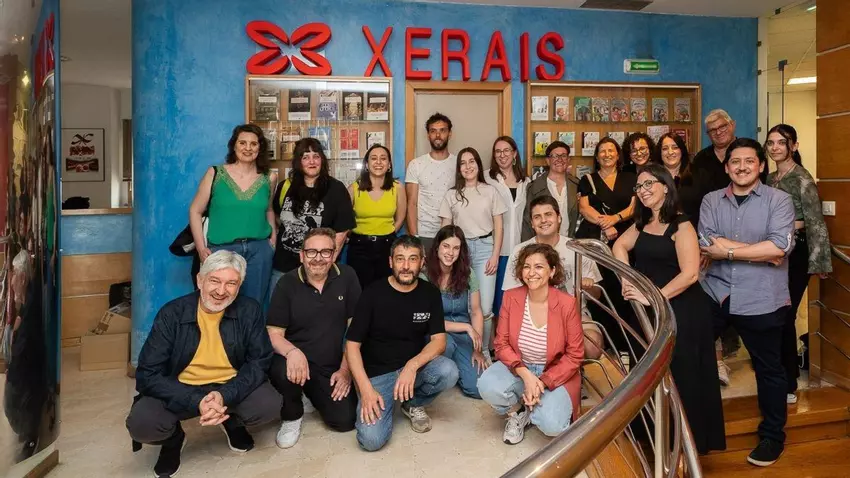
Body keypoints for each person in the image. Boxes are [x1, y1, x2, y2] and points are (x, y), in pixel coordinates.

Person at [126, 250, 279, 478]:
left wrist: (224, 396)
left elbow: (259, 361)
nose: (221, 291)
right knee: (143, 425)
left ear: (239, 286)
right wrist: (196, 400)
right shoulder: (172, 313)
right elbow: (147, 374)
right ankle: (173, 439)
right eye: (214, 280)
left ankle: (232, 421)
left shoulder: (250, 310)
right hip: (180, 388)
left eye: (231, 283)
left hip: (229, 386)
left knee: (268, 405)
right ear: (200, 280)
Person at [612, 164, 726, 455]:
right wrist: (628, 279)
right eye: (639, 186)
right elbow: (619, 247)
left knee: (683, 378)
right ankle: (656, 440)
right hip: (651, 310)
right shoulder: (642, 223)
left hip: (682, 311)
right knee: (649, 376)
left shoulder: (681, 225)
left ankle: (686, 448)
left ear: (666, 186)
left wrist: (652, 297)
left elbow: (690, 274)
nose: (643, 190)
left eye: (649, 183)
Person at [698, 138, 795, 467]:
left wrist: (726, 251)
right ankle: (693, 427)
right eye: (735, 162)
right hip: (716, 292)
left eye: (749, 161)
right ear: (727, 167)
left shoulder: (779, 200)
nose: (742, 167)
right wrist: (760, 250)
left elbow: (779, 247)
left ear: (761, 166)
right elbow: (706, 242)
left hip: (762, 297)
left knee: (769, 370)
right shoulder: (712, 200)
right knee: (690, 357)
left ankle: (772, 437)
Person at [345, 236, 459, 451]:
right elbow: (352, 345)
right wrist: (366, 389)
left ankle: (412, 403)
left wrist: (412, 365)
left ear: (422, 262)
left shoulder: (430, 293)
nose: (406, 266)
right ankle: (379, 399)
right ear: (391, 262)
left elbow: (439, 341)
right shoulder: (372, 293)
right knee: (371, 441)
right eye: (400, 259)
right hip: (377, 375)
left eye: (412, 259)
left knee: (448, 371)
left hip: (412, 370)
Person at [478, 243, 584, 445]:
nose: (531, 273)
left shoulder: (567, 303)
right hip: (520, 366)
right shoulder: (511, 297)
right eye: (527, 266)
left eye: (539, 267)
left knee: (552, 425)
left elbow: (575, 355)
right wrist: (526, 375)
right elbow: (501, 344)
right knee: (487, 385)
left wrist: (541, 382)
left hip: (555, 372)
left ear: (552, 271)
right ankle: (518, 412)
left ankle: (535, 406)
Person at [266, 228, 361, 448]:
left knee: (345, 420)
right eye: (311, 252)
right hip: (295, 362)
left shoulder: (347, 276)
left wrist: (346, 369)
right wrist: (293, 352)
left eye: (325, 252)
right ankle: (292, 415)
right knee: (279, 369)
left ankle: (310, 393)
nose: (318, 258)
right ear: (302, 255)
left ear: (334, 254)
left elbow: (355, 330)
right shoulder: (286, 283)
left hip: (331, 365)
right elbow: (273, 334)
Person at [765, 124, 832, 404]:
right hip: (772, 251)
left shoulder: (802, 178)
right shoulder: (769, 178)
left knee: (785, 314)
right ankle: (775, 373)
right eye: (771, 143)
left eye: (781, 142)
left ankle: (789, 382)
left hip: (797, 252)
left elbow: (815, 221)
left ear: (793, 146)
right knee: (772, 313)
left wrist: (820, 262)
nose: (775, 147)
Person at [502, 196, 605, 359]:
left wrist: (588, 286)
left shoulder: (578, 249)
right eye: (537, 217)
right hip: (532, 315)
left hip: (575, 312)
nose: (543, 220)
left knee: (593, 347)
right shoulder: (520, 251)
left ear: (559, 218)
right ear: (532, 223)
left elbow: (597, 294)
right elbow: (510, 295)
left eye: (548, 214)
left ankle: (570, 368)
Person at [188, 124, 277, 303]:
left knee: (254, 304)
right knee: (220, 301)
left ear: (260, 148)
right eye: (242, 143)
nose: (248, 148)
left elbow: (268, 209)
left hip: (259, 251)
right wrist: (200, 247)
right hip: (222, 249)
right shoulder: (215, 173)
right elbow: (195, 210)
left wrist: (273, 238)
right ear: (234, 145)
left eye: (253, 144)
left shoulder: (269, 178)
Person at [440, 146, 506, 354]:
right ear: (458, 168)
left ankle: (483, 351)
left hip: (486, 250)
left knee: (485, 308)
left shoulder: (490, 191)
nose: (467, 166)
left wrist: (495, 255)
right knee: (465, 306)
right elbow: (445, 230)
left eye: (472, 162)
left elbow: (499, 226)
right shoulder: (451, 194)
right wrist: (446, 254)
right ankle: (465, 349)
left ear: (478, 164)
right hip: (460, 250)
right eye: (463, 163)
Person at [270, 137, 355, 289]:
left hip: (319, 268)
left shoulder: (336, 189)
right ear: (298, 161)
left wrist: (327, 262)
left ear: (322, 160)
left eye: (316, 156)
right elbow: (276, 216)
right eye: (305, 157)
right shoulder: (285, 186)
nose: (312, 161)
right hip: (283, 267)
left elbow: (342, 231)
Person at [421, 226, 489, 398]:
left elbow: (476, 311)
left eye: (456, 248)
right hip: (436, 332)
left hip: (462, 334)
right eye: (446, 246)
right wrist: (466, 327)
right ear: (437, 247)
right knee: (447, 345)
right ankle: (444, 372)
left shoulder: (467, 273)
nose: (450, 253)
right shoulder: (425, 275)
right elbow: (427, 319)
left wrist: (478, 349)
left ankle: (460, 369)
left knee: (478, 389)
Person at [347, 144, 407, 287]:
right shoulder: (354, 188)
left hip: (387, 246)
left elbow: (400, 218)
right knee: (360, 290)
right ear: (367, 164)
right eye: (374, 158)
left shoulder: (397, 188)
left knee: (385, 289)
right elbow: (345, 220)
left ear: (389, 165)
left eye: (383, 158)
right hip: (359, 247)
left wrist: (387, 232)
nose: (378, 162)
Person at [486, 136, 531, 322]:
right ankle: (494, 339)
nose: (502, 155)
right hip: (496, 250)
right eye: (498, 151)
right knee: (495, 301)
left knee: (517, 301)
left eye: (506, 151)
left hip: (520, 249)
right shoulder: (486, 178)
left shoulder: (526, 181)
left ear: (514, 154)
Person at [405, 113, 457, 251]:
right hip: (424, 234)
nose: (438, 135)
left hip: (451, 233)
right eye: (433, 131)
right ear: (428, 135)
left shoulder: (459, 164)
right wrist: (415, 237)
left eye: (442, 130)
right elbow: (411, 203)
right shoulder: (416, 164)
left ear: (450, 134)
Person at [576, 137, 636, 244]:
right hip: (595, 238)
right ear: (597, 157)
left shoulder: (631, 178)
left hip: (626, 237)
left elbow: (634, 206)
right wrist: (606, 225)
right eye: (602, 151)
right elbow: (584, 208)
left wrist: (615, 218)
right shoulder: (587, 179)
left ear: (618, 155)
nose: (607, 154)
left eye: (611, 150)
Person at [522, 141, 579, 241]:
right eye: (555, 156)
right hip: (543, 243)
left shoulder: (577, 185)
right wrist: (529, 247)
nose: (559, 159)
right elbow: (527, 222)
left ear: (568, 159)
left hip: (571, 243)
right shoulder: (534, 187)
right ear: (548, 161)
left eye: (563, 156)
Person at [652, 132, 701, 227]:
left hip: (691, 229)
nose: (670, 152)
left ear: (681, 150)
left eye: (675, 147)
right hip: (660, 229)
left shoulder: (698, 173)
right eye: (665, 148)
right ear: (660, 153)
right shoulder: (652, 176)